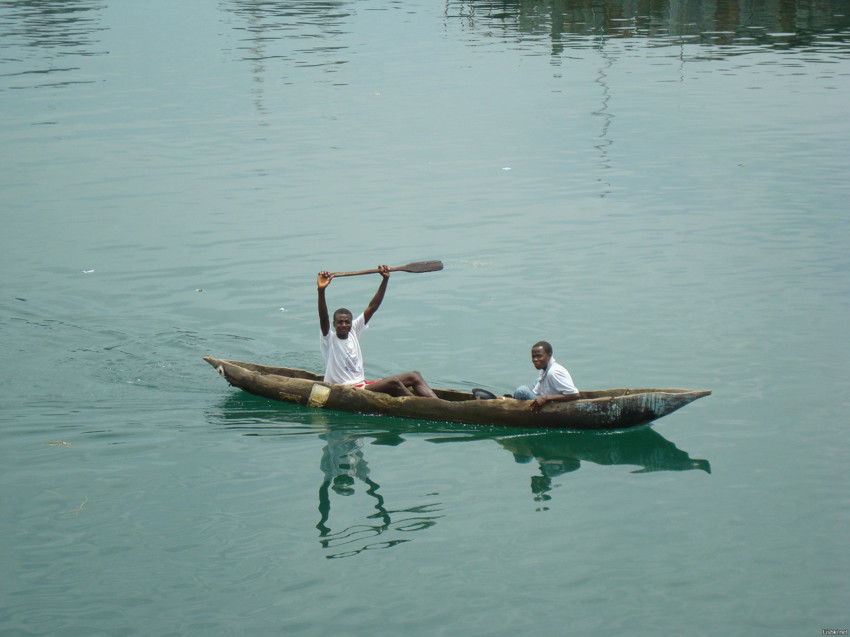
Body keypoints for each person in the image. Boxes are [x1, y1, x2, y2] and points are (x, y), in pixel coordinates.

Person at [317, 265, 438, 398]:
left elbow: (373, 306)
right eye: (340, 322)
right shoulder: (329, 340)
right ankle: (421, 406)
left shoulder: (353, 332)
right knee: (394, 383)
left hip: (362, 385)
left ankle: (438, 404)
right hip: (346, 390)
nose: (344, 325)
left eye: (347, 322)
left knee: (414, 375)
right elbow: (323, 317)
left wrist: (385, 280)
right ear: (334, 324)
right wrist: (321, 291)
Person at [514, 341, 581, 412]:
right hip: (547, 397)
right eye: (533, 357)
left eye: (539, 356)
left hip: (553, 406)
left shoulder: (553, 372)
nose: (535, 360)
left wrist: (545, 398)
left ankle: (513, 404)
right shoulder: (545, 369)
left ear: (549, 356)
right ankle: (513, 399)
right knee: (537, 381)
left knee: (521, 391)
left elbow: (575, 395)